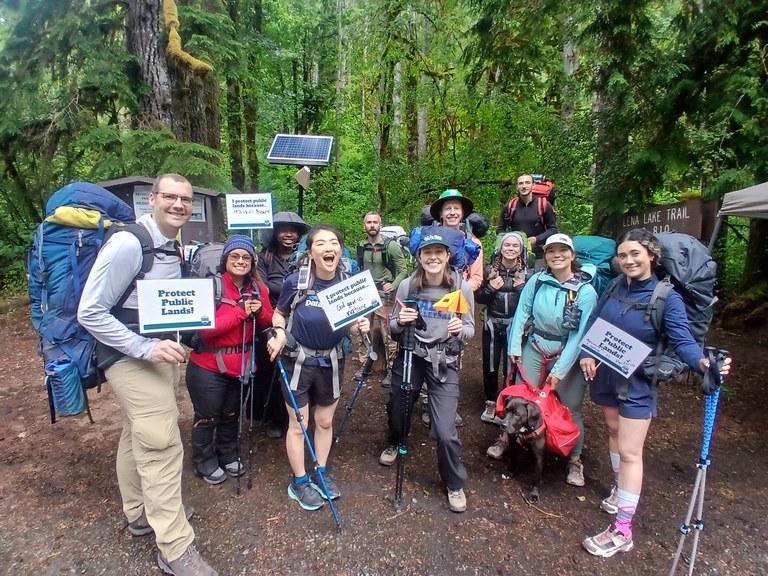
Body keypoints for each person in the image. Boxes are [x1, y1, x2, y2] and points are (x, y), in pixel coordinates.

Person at [78, 174, 217, 576]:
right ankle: (175, 548)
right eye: (170, 197)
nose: (178, 204)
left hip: (160, 356)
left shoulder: (170, 246)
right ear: (152, 199)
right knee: (161, 442)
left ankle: (139, 512)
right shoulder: (128, 243)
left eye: (185, 199)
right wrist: (144, 348)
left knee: (135, 430)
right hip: (130, 356)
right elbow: (90, 312)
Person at [579, 228, 731, 558]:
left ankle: (622, 531)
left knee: (631, 451)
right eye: (623, 255)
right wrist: (587, 352)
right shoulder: (617, 284)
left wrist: (703, 364)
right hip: (607, 371)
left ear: (652, 255)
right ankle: (621, 490)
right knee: (613, 432)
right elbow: (594, 319)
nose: (629, 260)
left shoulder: (666, 297)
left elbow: (684, 341)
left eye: (635, 253)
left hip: (638, 381)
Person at [266, 225, 370, 511]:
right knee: (299, 425)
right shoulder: (296, 282)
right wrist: (279, 331)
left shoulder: (350, 283)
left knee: (324, 422)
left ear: (340, 250)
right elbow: (280, 313)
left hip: (333, 361)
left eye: (334, 242)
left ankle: (320, 472)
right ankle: (299, 481)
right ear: (310, 252)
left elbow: (352, 320)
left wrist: (361, 324)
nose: (328, 248)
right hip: (298, 360)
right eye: (321, 243)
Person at [486, 233, 596, 490]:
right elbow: (522, 313)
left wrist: (558, 371)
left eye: (562, 250)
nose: (556, 255)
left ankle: (575, 459)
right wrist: (514, 347)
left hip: (567, 349)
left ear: (572, 255)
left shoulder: (585, 291)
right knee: (519, 397)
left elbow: (579, 335)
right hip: (535, 344)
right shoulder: (537, 281)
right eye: (551, 251)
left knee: (570, 405)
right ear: (545, 255)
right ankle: (507, 436)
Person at [378, 232, 476, 513]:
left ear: (447, 256)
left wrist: (462, 331)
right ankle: (396, 441)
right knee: (399, 407)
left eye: (438, 252)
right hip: (411, 354)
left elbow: (470, 329)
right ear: (419, 257)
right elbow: (393, 326)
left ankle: (454, 482)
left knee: (445, 431)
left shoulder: (461, 287)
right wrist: (401, 321)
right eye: (427, 252)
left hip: (444, 360)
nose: (433, 257)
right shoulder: (408, 286)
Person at [185, 236, 273, 484]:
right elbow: (206, 329)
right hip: (208, 366)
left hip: (241, 364)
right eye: (234, 256)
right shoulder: (212, 287)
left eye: (246, 257)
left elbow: (267, 320)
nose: (240, 261)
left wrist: (259, 312)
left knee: (232, 413)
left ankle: (228, 454)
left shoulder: (257, 288)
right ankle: (204, 460)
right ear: (225, 259)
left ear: (253, 262)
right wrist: (239, 311)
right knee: (208, 415)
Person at [256, 212, 309, 438]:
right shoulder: (264, 258)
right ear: (274, 233)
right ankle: (274, 418)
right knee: (272, 370)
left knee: (299, 370)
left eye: (293, 230)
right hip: (271, 320)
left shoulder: (306, 258)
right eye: (283, 229)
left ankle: (298, 416)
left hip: (300, 321)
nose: (289, 234)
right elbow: (263, 289)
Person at [474, 232, 530, 424]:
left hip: (514, 328)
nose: (511, 249)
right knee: (490, 365)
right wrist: (491, 288)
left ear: (521, 250)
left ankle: (507, 402)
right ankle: (490, 402)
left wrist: (522, 288)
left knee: (510, 366)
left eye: (515, 246)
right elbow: (479, 297)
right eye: (508, 245)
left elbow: (532, 304)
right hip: (491, 325)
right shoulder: (490, 270)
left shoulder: (527, 275)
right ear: (500, 248)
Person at [356, 211, 409, 387]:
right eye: (369, 222)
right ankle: (366, 363)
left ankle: (392, 368)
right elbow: (360, 268)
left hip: (385, 295)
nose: (372, 225)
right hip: (365, 293)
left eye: (375, 222)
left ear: (380, 224)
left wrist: (393, 285)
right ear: (364, 226)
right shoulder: (361, 246)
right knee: (364, 329)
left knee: (388, 333)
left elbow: (403, 271)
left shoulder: (391, 246)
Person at [497, 173, 557, 269]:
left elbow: (553, 230)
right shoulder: (510, 206)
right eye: (521, 184)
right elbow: (500, 230)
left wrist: (536, 239)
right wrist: (509, 243)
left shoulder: (544, 205)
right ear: (517, 187)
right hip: (515, 256)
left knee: (536, 281)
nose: (524, 186)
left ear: (533, 185)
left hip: (538, 255)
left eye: (527, 183)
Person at [430, 189, 484, 291]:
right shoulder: (430, 241)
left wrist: (459, 291)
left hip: (460, 296)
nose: (452, 212)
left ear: (462, 213)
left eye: (456, 208)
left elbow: (476, 278)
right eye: (448, 208)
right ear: (441, 213)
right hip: (432, 294)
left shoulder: (473, 244)